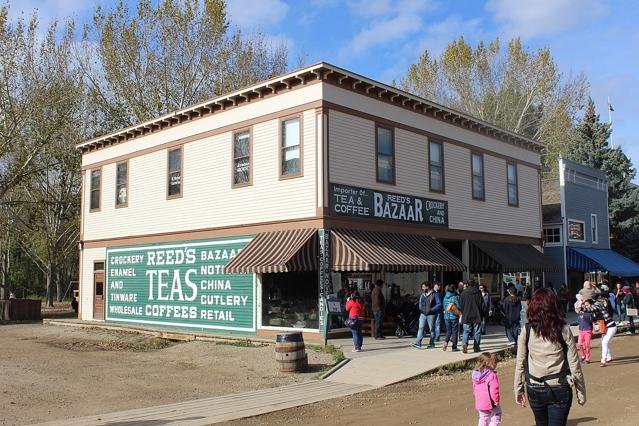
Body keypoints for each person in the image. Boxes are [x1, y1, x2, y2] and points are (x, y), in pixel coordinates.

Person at [514, 289, 586, 425]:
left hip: (535, 387)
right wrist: (581, 391)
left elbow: (520, 362)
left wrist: (518, 389)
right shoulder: (563, 329)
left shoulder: (527, 330)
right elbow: (574, 364)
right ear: (554, 306)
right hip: (559, 387)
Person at [582, 296, 617, 367]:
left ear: (592, 303)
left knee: (604, 342)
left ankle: (603, 361)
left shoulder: (597, 304)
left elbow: (591, 309)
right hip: (605, 328)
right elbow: (593, 321)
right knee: (603, 342)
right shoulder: (594, 312)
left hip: (611, 326)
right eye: (585, 305)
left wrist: (583, 309)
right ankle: (609, 357)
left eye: (587, 305)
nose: (587, 306)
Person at [472, 352, 501, 426]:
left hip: (480, 401)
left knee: (483, 417)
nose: (496, 365)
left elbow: (474, 388)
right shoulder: (492, 375)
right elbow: (494, 389)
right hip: (490, 401)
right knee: (496, 415)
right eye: (495, 363)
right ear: (490, 363)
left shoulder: (475, 374)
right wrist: (496, 400)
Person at [412, 282, 442, 349]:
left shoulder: (435, 294)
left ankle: (431, 343)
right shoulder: (422, 294)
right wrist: (421, 309)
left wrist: (431, 310)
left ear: (427, 287)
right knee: (420, 328)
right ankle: (418, 343)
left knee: (431, 329)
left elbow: (439, 304)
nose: (422, 288)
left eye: (423, 287)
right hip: (423, 314)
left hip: (431, 314)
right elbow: (420, 303)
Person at [461, 280, 484, 353]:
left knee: (466, 331)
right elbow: (482, 305)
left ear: (467, 284)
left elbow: (461, 305)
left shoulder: (464, 293)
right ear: (474, 284)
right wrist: (483, 314)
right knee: (477, 331)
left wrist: (463, 312)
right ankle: (476, 347)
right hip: (477, 314)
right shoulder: (478, 292)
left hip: (467, 314)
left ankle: (464, 345)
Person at [442, 284, 461, 352]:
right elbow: (459, 306)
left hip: (446, 317)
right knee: (454, 332)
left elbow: (444, 307)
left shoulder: (445, 297)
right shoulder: (455, 297)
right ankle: (454, 347)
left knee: (448, 331)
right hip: (454, 316)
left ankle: (445, 342)